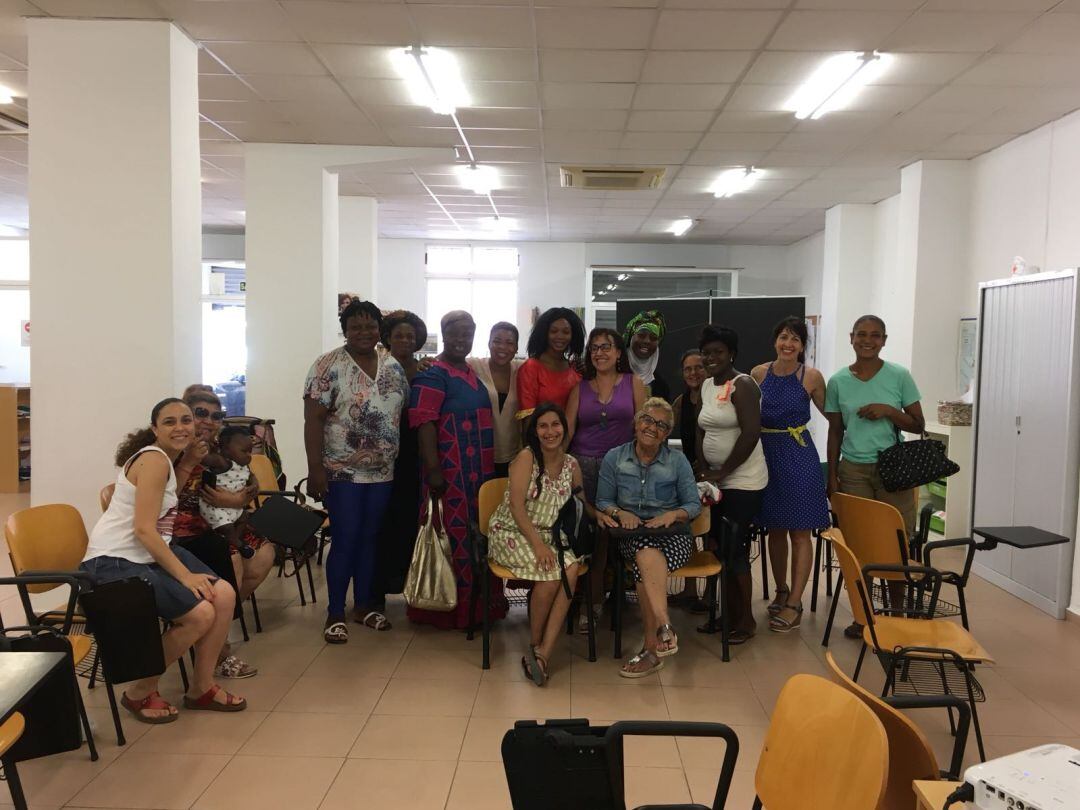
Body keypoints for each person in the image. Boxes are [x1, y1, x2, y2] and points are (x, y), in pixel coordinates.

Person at [81, 398, 246, 722]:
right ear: (154, 429)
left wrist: (186, 463)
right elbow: (144, 530)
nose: (180, 427)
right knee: (199, 615)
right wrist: (185, 576)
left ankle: (202, 687)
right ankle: (140, 691)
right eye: (169, 422)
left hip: (144, 554)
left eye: (186, 420)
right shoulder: (154, 460)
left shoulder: (166, 462)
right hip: (113, 561)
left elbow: (164, 508)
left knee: (223, 594)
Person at [304, 299, 410, 643]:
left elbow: (401, 409)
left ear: (379, 328)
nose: (364, 332)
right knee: (346, 538)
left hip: (383, 471)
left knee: (370, 539)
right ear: (345, 330)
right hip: (341, 472)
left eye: (370, 326)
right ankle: (335, 611)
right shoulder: (327, 366)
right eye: (356, 327)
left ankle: (363, 606)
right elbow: (313, 421)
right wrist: (315, 468)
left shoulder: (393, 365)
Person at [825, 314, 924, 638]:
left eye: (875, 335)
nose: (868, 340)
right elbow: (835, 431)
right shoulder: (838, 380)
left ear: (884, 340)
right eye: (862, 334)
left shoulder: (899, 376)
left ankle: (897, 615)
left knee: (896, 542)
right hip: (853, 469)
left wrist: (889, 411)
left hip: (893, 468)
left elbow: (918, 424)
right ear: (852, 338)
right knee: (861, 544)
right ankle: (863, 616)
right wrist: (833, 474)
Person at [409, 310, 508, 630]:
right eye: (454, 333)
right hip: (449, 473)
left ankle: (481, 606)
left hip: (478, 473)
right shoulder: (432, 374)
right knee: (454, 539)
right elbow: (424, 422)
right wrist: (434, 470)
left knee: (477, 536)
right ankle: (453, 609)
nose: (461, 339)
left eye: (467, 334)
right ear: (443, 333)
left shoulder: (469, 370)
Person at [487, 404, 597, 685]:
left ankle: (543, 654)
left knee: (571, 569)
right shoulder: (526, 458)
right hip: (513, 530)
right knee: (550, 575)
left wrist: (603, 515)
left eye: (555, 425)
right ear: (535, 431)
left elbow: (580, 502)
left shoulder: (572, 464)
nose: (550, 432)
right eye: (543, 426)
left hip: (551, 534)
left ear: (565, 428)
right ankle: (536, 644)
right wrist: (538, 545)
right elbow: (516, 507)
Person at [596, 398, 701, 678]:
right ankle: (663, 629)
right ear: (636, 422)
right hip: (633, 535)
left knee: (644, 567)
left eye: (661, 425)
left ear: (667, 434)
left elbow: (693, 505)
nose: (652, 428)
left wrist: (673, 514)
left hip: (673, 537)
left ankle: (653, 647)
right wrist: (619, 512)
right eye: (647, 420)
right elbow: (603, 499)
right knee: (644, 551)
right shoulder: (614, 457)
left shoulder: (677, 461)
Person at [173, 388, 265, 680]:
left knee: (265, 554)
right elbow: (161, 500)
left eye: (216, 415)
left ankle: (213, 628)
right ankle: (218, 650)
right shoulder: (172, 448)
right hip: (179, 533)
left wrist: (251, 486)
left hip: (212, 523)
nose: (208, 421)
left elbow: (241, 470)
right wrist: (230, 501)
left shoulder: (217, 446)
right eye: (200, 413)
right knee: (233, 558)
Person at [751, 317, 830, 634]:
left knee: (799, 531)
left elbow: (832, 415)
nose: (788, 344)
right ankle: (781, 587)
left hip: (798, 455)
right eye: (784, 337)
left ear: (803, 346)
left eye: (796, 339)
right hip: (765, 454)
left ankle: (795, 601)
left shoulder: (811, 377)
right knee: (774, 528)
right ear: (775, 341)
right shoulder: (759, 373)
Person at [565, 327, 645, 629]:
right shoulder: (579, 388)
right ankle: (591, 604)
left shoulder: (634, 383)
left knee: (622, 537)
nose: (599, 353)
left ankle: (624, 600)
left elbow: (643, 427)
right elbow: (568, 432)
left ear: (619, 353)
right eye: (594, 348)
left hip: (624, 470)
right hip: (583, 468)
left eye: (606, 347)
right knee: (593, 539)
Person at [696, 325, 767, 645]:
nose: (711, 358)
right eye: (707, 352)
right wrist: (702, 465)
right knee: (718, 548)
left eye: (718, 352)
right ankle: (729, 614)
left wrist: (722, 471)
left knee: (735, 551)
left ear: (732, 354)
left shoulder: (744, 385)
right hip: (716, 479)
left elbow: (752, 433)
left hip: (743, 482)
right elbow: (701, 428)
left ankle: (746, 621)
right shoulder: (708, 385)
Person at [372, 310, 428, 611]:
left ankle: (412, 591)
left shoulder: (426, 370)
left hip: (413, 456)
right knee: (381, 526)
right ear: (388, 338)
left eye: (410, 336)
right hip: (381, 457)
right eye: (399, 335)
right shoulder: (377, 369)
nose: (406, 340)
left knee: (409, 524)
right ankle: (375, 593)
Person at [669, 349, 708, 609]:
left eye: (699, 367)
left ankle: (713, 596)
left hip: (716, 474)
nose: (693, 373)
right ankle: (691, 590)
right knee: (690, 530)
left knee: (712, 536)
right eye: (688, 369)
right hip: (691, 474)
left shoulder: (717, 398)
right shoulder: (680, 403)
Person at [468, 322, 524, 478]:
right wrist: (426, 362)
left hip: (514, 455)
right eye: (497, 341)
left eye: (509, 343)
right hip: (479, 454)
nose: (502, 347)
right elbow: (445, 362)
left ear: (517, 348)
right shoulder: (474, 365)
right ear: (489, 343)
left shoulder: (523, 369)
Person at [198, 426, 258, 559]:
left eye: (250, 451)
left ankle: (234, 540)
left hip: (235, 507)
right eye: (244, 451)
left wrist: (254, 484)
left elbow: (251, 476)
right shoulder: (222, 462)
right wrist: (210, 447)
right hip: (215, 507)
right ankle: (239, 545)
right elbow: (204, 458)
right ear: (225, 450)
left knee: (245, 518)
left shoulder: (243, 466)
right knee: (227, 527)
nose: (249, 455)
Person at [516, 307, 585, 421]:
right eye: (553, 331)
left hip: (577, 436)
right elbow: (528, 420)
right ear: (544, 333)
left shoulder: (576, 369)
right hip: (545, 437)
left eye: (566, 332)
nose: (560, 336)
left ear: (573, 335)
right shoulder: (531, 368)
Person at [624, 310, 671, 402]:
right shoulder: (615, 375)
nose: (647, 341)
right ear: (631, 337)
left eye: (653, 338)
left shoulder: (661, 386)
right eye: (641, 335)